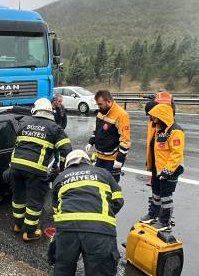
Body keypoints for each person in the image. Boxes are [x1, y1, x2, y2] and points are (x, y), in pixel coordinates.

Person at [49, 149, 124, 276]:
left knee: (64, 266)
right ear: (86, 161)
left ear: (68, 164)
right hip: (99, 232)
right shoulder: (103, 173)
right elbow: (118, 201)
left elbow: (56, 208)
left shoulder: (60, 178)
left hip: (66, 231)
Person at [10, 97, 72, 241]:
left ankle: (18, 225)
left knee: (18, 197)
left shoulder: (24, 123)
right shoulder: (55, 128)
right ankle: (29, 232)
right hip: (35, 170)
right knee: (34, 201)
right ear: (50, 111)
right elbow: (67, 150)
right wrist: (62, 169)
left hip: (15, 166)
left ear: (35, 109)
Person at [140, 102, 185, 231]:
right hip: (158, 169)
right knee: (156, 193)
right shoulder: (159, 130)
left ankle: (165, 222)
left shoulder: (175, 131)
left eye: (155, 116)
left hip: (170, 170)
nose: (153, 119)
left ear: (163, 116)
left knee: (166, 196)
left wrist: (167, 171)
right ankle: (153, 215)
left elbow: (176, 154)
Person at [85, 90, 131, 182]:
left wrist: (119, 159)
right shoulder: (101, 112)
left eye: (100, 104)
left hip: (112, 158)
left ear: (109, 102)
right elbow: (97, 130)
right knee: (98, 182)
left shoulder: (121, 115)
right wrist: (91, 141)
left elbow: (125, 141)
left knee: (111, 184)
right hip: (100, 156)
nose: (99, 106)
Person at [51, 93, 68, 169]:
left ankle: (56, 165)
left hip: (58, 132)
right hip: (50, 132)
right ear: (54, 101)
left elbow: (64, 120)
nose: (61, 103)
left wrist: (61, 130)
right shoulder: (49, 108)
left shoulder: (61, 108)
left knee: (57, 149)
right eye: (59, 101)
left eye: (61, 101)